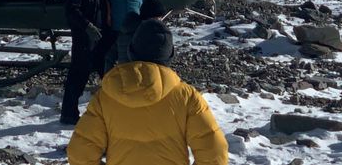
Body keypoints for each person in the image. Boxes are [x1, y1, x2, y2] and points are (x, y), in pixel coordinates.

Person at [67, 19, 229, 165]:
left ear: (131, 51)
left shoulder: (106, 96)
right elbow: (214, 153)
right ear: (170, 55)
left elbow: (80, 153)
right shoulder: (187, 96)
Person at [60, 0, 108, 125]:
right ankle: (68, 114)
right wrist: (88, 27)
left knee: (109, 76)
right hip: (83, 40)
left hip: (101, 39)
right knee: (78, 76)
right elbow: (72, 12)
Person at [118, 0, 167, 64]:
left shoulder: (127, 28)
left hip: (124, 71)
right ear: (152, 17)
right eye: (159, 18)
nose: (161, 21)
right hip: (138, 72)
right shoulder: (145, 34)